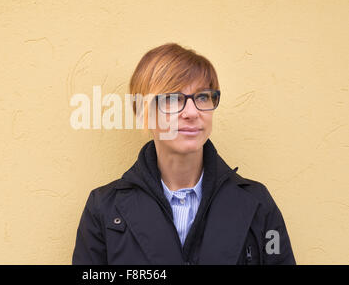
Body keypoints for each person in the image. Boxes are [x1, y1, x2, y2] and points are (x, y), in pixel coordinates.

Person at [72, 43, 296, 265]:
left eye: (203, 97)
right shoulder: (104, 209)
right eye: (172, 98)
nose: (192, 112)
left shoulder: (257, 204)